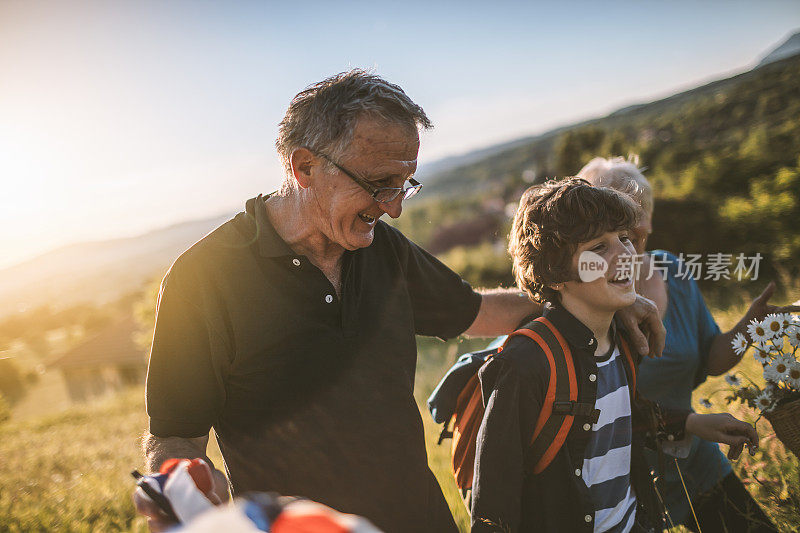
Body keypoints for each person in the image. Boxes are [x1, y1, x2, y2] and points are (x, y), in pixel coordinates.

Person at [136, 71, 665, 533]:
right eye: (378, 184)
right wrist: (192, 502)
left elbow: (477, 312)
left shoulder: (379, 247)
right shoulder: (202, 280)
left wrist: (600, 307)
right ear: (303, 167)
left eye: (405, 184)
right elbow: (174, 437)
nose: (393, 209)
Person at [470, 178, 759, 532]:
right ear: (557, 272)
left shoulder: (621, 339)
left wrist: (691, 423)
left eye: (624, 238)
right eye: (599, 247)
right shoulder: (526, 362)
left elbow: (618, 419)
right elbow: (493, 499)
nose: (626, 254)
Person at [578, 156, 796, 532]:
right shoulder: (585, 301)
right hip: (625, 485)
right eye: (626, 236)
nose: (637, 249)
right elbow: (599, 410)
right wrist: (690, 423)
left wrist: (751, 325)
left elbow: (710, 357)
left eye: (644, 233)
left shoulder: (672, 270)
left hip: (698, 462)